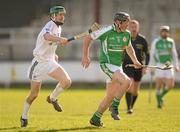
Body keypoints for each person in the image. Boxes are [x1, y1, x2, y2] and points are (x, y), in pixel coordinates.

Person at [82, 12, 142, 127]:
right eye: (126, 22)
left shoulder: (127, 34)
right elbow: (88, 38)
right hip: (107, 64)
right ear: (118, 22)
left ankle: (96, 118)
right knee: (127, 81)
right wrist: (85, 56)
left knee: (110, 96)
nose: (128, 25)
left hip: (117, 66)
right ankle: (114, 107)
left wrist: (135, 61)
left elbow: (128, 47)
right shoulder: (107, 31)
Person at [20, 6, 71, 127]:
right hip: (39, 64)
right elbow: (46, 37)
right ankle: (24, 116)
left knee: (67, 82)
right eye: (59, 15)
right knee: (34, 95)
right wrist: (60, 39)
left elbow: (49, 44)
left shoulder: (59, 27)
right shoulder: (50, 24)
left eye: (63, 15)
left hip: (49, 61)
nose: (62, 17)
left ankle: (52, 98)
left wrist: (54, 54)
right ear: (53, 16)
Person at [111, 20, 149, 115]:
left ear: (138, 27)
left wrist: (145, 67)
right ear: (129, 27)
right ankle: (129, 108)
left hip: (138, 66)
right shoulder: (125, 38)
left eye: (135, 26)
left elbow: (147, 54)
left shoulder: (142, 40)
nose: (133, 28)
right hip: (127, 65)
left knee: (135, 91)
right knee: (130, 86)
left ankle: (131, 105)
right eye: (132, 26)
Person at [149, 25, 179, 108]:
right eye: (163, 31)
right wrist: (151, 67)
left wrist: (176, 65)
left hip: (169, 65)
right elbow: (152, 54)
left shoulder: (171, 41)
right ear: (160, 32)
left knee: (170, 85)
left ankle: (160, 96)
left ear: (168, 33)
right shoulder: (156, 41)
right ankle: (159, 102)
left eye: (166, 31)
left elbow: (174, 54)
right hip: (159, 65)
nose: (165, 32)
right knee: (159, 84)